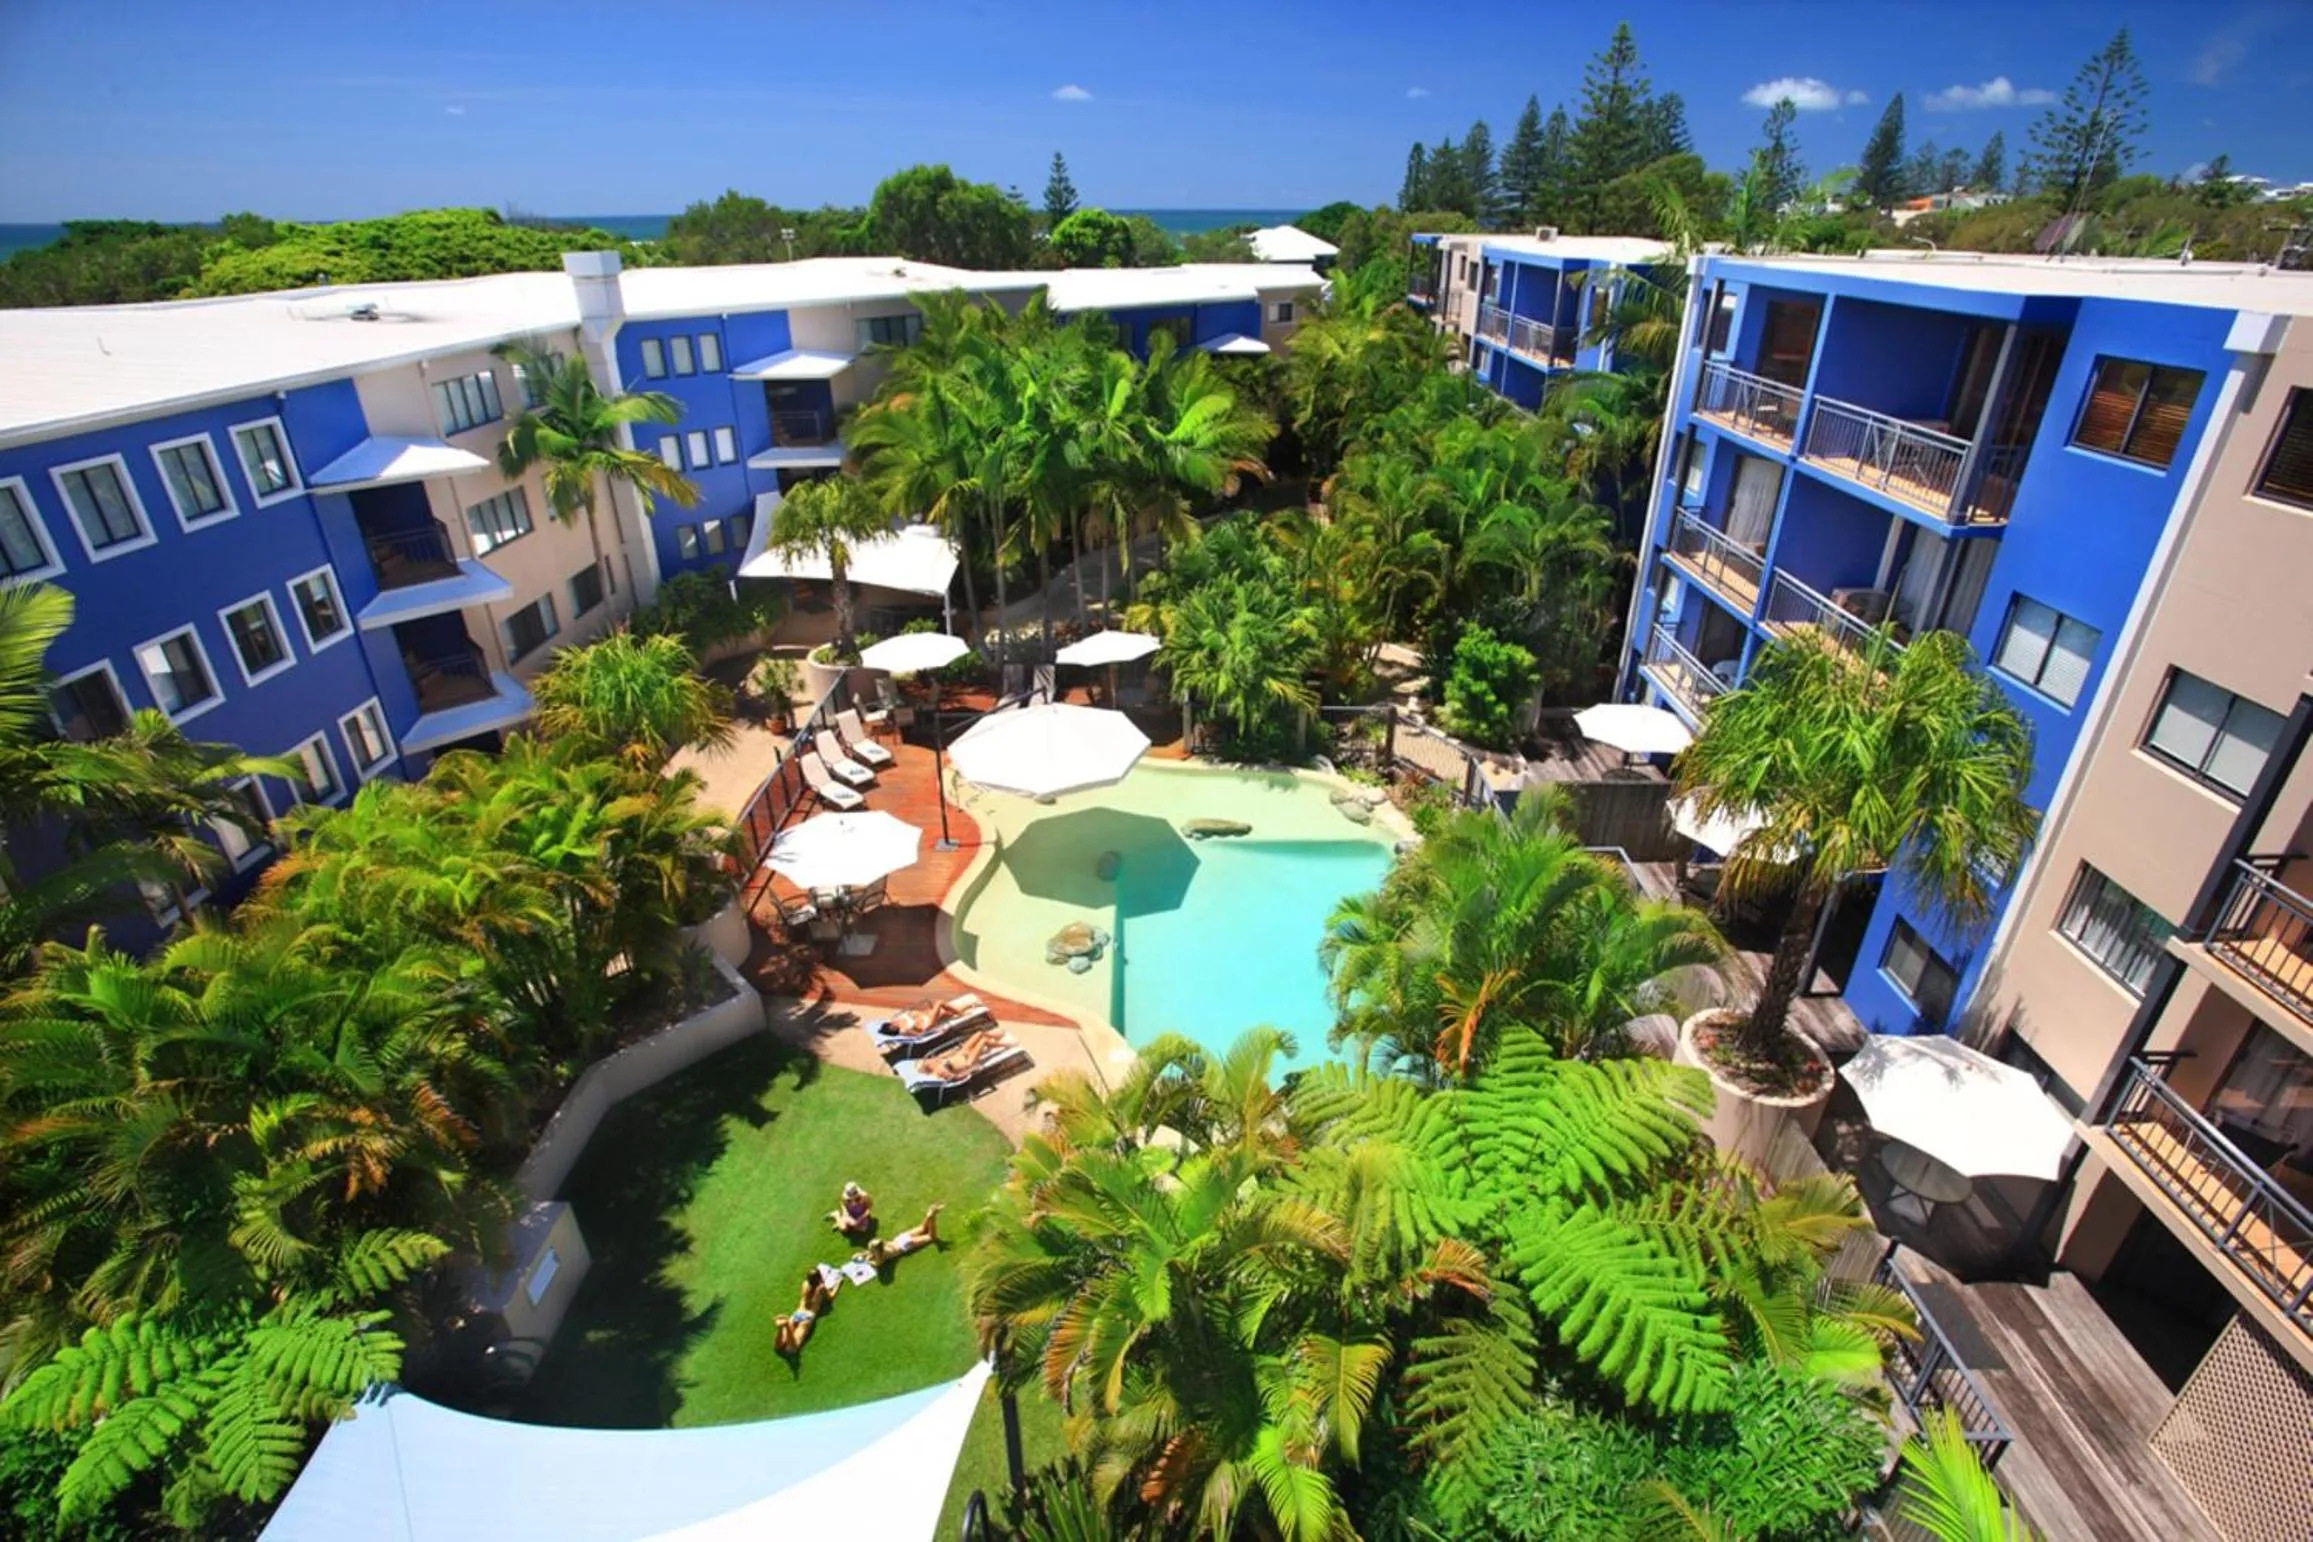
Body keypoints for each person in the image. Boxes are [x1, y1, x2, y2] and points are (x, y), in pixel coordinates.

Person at [774, 1267, 837, 1357]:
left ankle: (782, 1328)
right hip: (808, 1316)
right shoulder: (821, 1288)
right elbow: (831, 1297)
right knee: (792, 1349)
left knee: (778, 1347)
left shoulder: (805, 1284)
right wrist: (838, 1284)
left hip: (798, 1312)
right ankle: (786, 1325)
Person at [865, 1203, 945, 1267]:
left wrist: (868, 1261)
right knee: (922, 1228)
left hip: (905, 1245)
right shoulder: (882, 1245)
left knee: (930, 1237)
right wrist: (863, 1255)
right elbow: (872, 1250)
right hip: (900, 1238)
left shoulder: (881, 1256)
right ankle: (929, 1214)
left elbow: (878, 1264)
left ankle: (932, 1216)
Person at [918, 1031, 1008, 1083]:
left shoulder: (937, 1060)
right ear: (927, 1068)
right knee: (983, 1041)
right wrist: (968, 1071)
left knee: (979, 1033)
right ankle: (1005, 1044)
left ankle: (997, 1037)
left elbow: (951, 1052)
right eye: (926, 1062)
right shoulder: (938, 1074)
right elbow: (955, 1077)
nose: (928, 1060)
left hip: (961, 1053)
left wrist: (954, 1050)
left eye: (926, 1060)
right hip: (967, 1062)